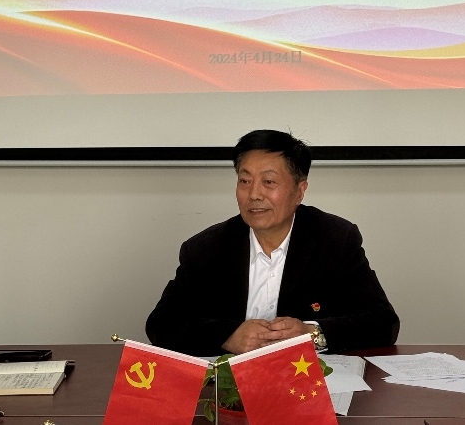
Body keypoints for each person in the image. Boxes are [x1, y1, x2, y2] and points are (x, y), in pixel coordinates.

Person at [146, 129, 399, 356]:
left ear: (300, 191)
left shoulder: (335, 240)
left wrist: (311, 333)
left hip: (307, 384)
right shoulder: (206, 248)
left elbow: (383, 323)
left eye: (268, 182)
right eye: (245, 181)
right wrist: (228, 336)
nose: (254, 194)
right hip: (229, 386)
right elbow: (161, 324)